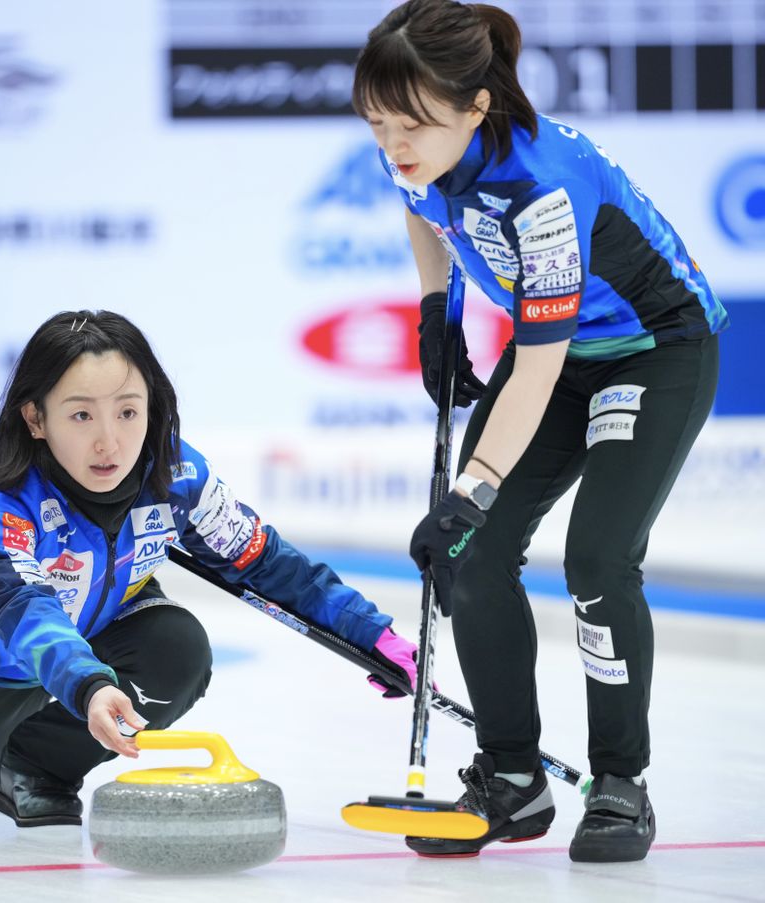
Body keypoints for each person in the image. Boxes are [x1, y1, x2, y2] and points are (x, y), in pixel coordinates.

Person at [353, 0, 727, 863]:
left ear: (476, 106)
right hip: (553, 351)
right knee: (469, 554)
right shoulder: (415, 148)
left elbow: (543, 365)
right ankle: (512, 778)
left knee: (595, 558)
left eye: (411, 123)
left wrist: (471, 489)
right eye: (377, 123)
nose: (394, 143)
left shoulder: (541, 189)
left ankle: (622, 783)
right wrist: (434, 306)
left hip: (654, 350)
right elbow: (420, 200)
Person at [0, 310, 422, 826]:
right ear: (35, 417)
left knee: (177, 651)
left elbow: (268, 563)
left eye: (128, 411)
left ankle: (37, 766)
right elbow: (24, 610)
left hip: (105, 627)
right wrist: (85, 685)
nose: (109, 441)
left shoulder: (177, 476)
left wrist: (370, 632)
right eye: (81, 414)